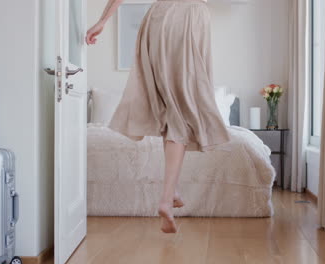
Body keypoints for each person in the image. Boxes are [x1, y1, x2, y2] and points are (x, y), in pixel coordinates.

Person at [86, 0, 230, 233]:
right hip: (190, 16)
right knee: (185, 110)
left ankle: (171, 191)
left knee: (172, 110)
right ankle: (166, 198)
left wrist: (103, 19)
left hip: (157, 18)